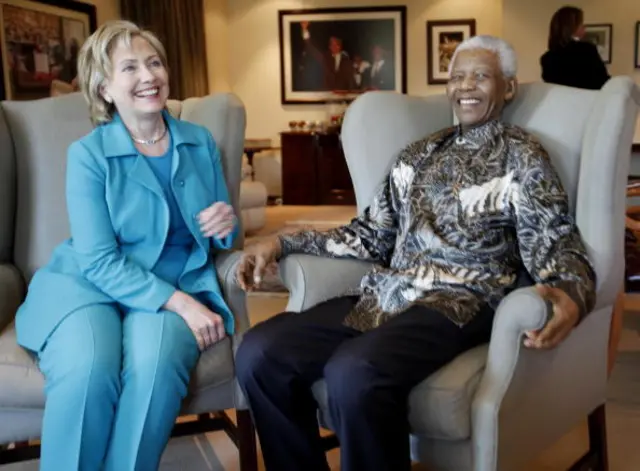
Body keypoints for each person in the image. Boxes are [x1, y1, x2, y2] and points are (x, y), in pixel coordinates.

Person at [235, 35, 596, 471]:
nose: (466, 86)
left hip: (463, 300)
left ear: (508, 88)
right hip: (388, 295)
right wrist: (282, 241)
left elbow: (554, 240)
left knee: (354, 372)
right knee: (259, 352)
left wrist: (571, 291)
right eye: (457, 76)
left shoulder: (522, 157)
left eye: (481, 76)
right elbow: (370, 235)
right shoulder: (417, 155)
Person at [14, 20, 238, 471]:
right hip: (90, 286)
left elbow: (220, 234)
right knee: (87, 370)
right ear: (104, 88)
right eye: (130, 68)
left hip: (175, 280)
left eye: (154, 63)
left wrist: (227, 223)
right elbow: (98, 260)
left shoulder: (200, 143)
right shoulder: (88, 155)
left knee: (155, 368)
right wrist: (182, 305)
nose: (148, 76)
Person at [540, 6, 610, 90]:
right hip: (587, 100)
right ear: (571, 27)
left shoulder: (546, 59)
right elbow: (602, 81)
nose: (584, 27)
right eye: (581, 24)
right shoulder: (587, 50)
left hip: (561, 102)